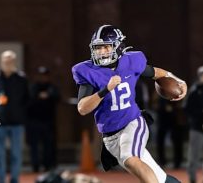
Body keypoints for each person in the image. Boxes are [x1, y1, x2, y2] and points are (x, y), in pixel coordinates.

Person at [71, 25, 187, 183]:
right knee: (160, 178)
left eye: (106, 47)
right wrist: (105, 90)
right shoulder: (86, 71)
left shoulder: (131, 62)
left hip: (132, 123)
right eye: (98, 48)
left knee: (130, 158)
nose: (102, 52)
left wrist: (179, 80)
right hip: (110, 136)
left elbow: (156, 73)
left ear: (119, 46)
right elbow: (82, 108)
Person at [0, 50, 29, 183]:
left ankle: (14, 179)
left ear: (14, 62)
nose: (7, 64)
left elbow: (27, 99)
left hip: (17, 122)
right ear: (1, 62)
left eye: (10, 61)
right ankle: (1, 180)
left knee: (16, 153)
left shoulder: (21, 79)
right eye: (5, 61)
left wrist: (21, 113)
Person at [26, 66, 60, 172]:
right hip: (34, 120)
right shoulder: (32, 87)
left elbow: (57, 97)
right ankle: (35, 166)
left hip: (48, 121)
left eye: (45, 76)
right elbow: (30, 99)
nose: (43, 78)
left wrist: (48, 94)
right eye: (41, 76)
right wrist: (40, 96)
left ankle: (48, 165)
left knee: (48, 144)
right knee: (34, 145)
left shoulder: (52, 87)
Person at [184, 66, 203, 183]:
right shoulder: (194, 90)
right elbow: (187, 108)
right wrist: (199, 117)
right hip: (196, 128)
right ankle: (192, 179)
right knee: (194, 155)